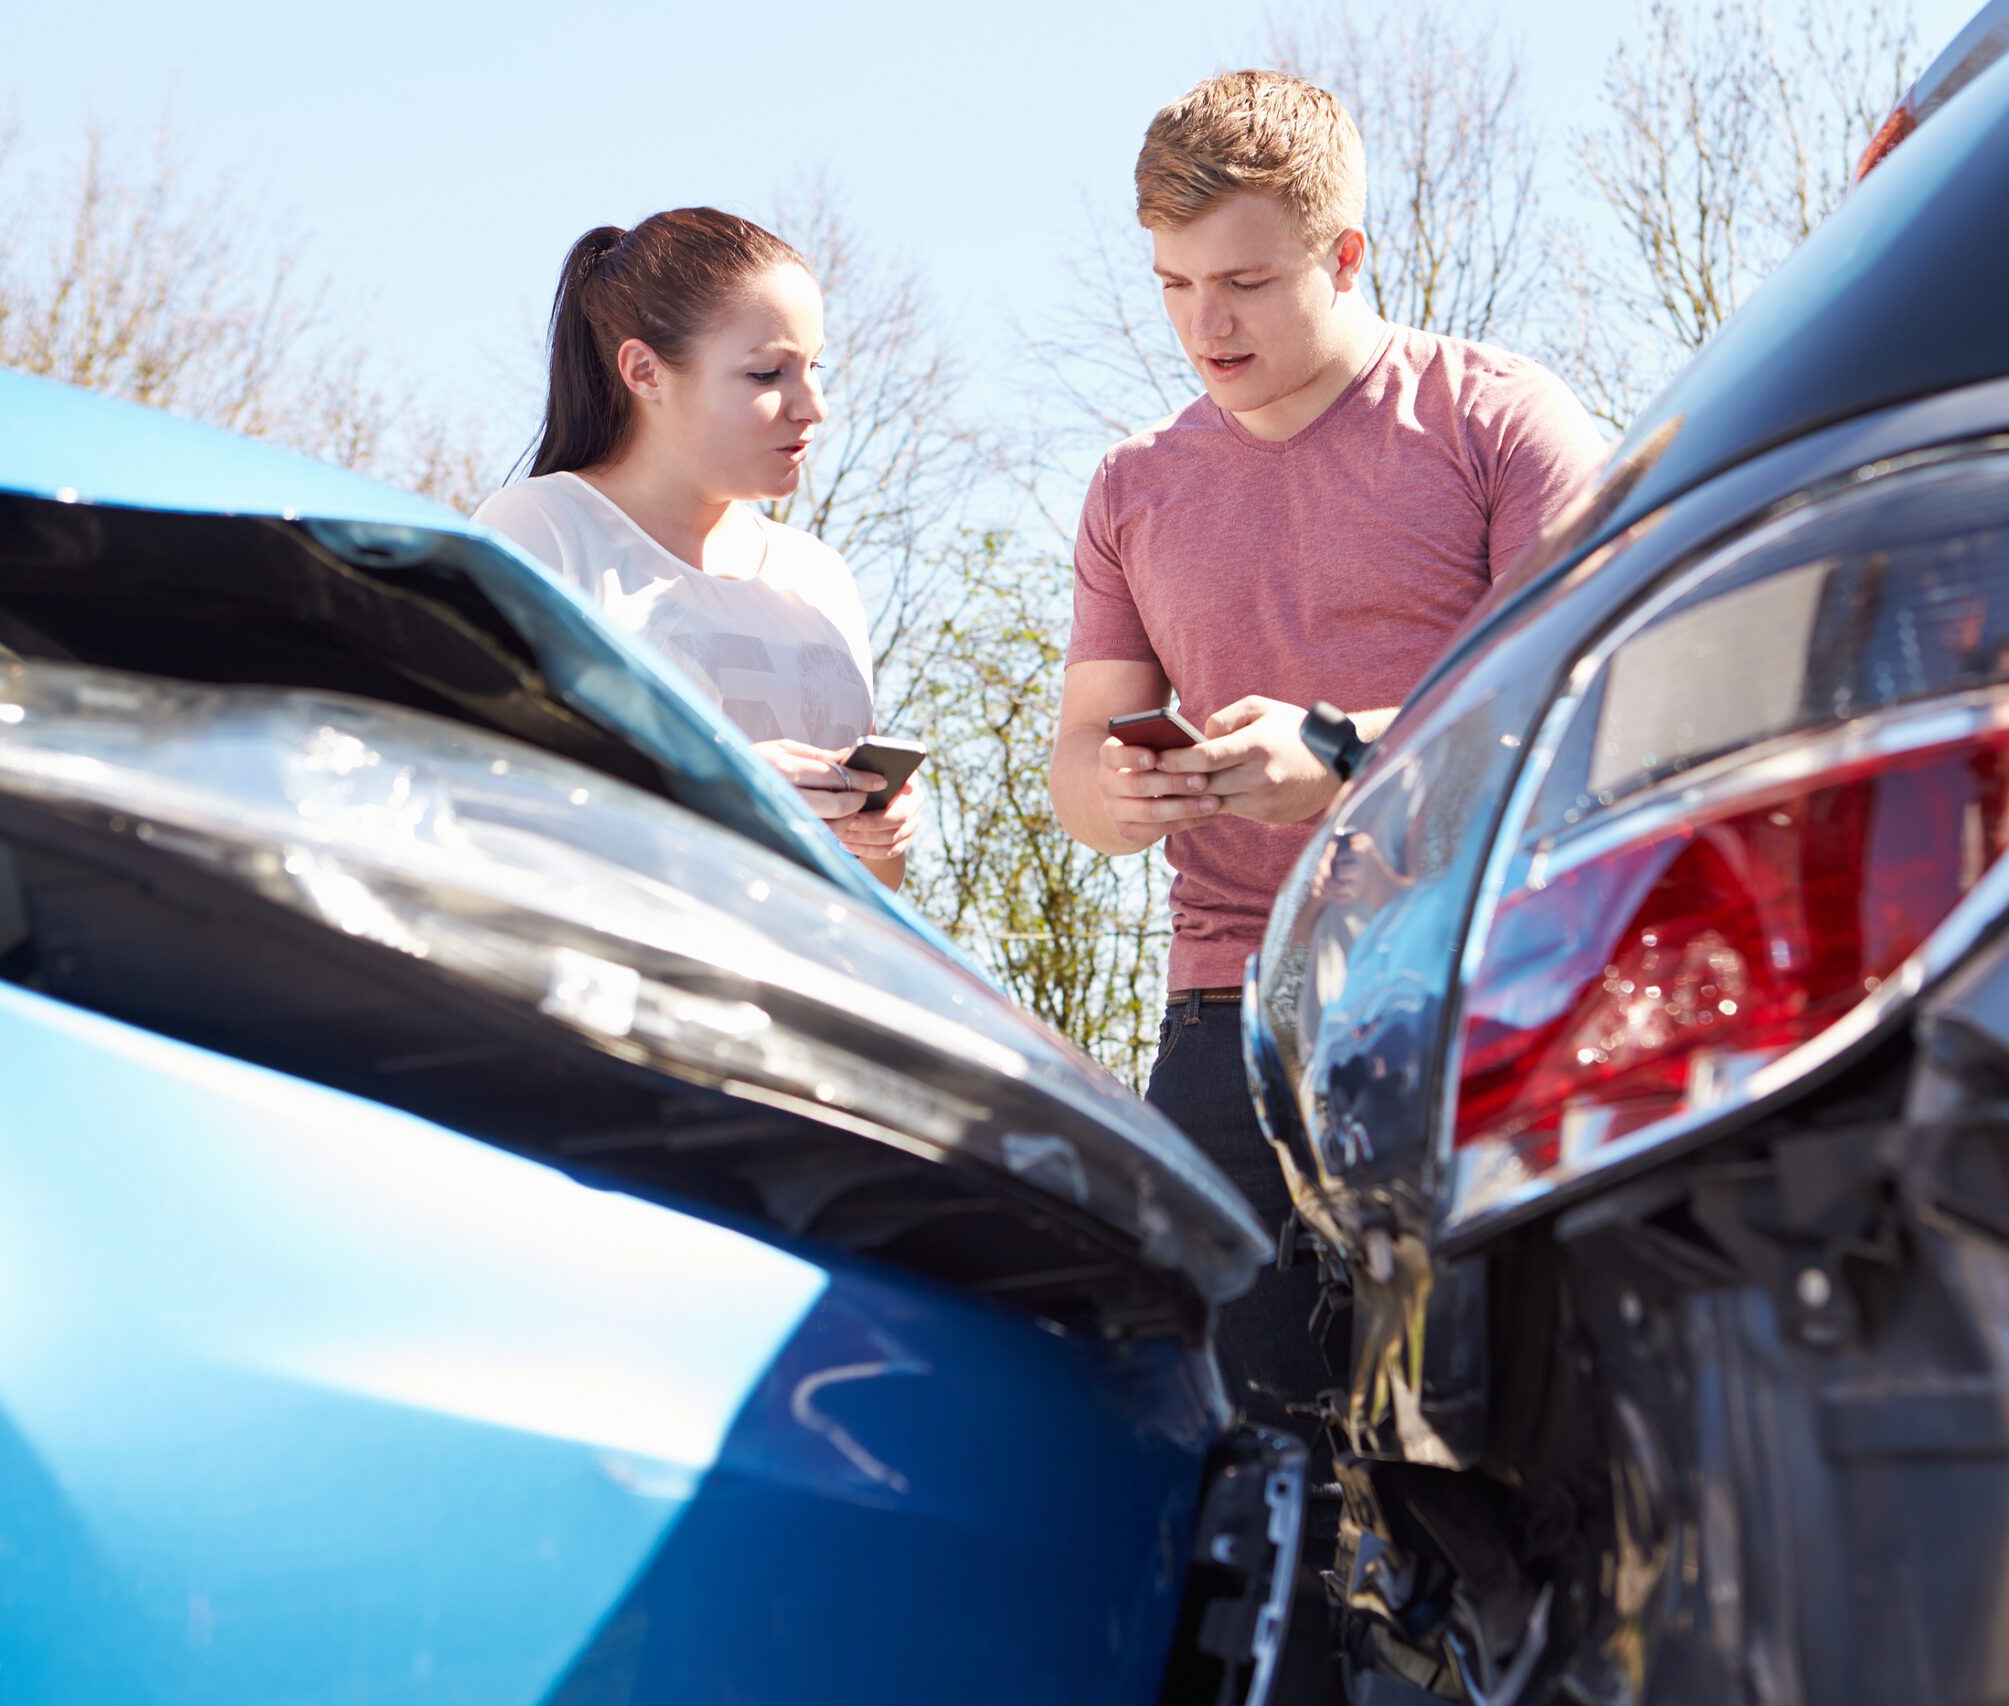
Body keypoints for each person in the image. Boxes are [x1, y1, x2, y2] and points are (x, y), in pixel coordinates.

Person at [1047, 61, 1606, 1556]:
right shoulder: (1130, 489)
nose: (1202, 325)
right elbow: (1079, 788)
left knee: (1510, 1481)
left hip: (1484, 1002)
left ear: (1345, 254)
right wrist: (1126, 787)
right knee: (1243, 1497)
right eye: (1171, 284)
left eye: (1242, 281)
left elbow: (1593, 720)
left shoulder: (1500, 420)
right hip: (1228, 1024)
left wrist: (1356, 760)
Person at [474, 207, 918, 889]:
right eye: (768, 374)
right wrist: (721, 788)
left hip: (804, 985)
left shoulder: (820, 576)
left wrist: (880, 834)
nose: (813, 405)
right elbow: (483, 807)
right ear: (645, 371)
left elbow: (874, 886)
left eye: (815, 366)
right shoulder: (541, 531)